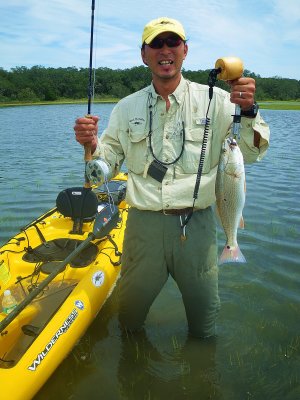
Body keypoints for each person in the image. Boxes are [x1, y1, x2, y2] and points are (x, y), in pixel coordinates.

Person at [74, 17, 270, 338]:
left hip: (199, 226)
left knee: (204, 321)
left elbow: (251, 154)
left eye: (173, 42)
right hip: (143, 227)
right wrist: (91, 146)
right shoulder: (125, 108)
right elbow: (103, 167)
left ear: (185, 50)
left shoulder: (220, 101)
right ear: (144, 55)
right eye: (157, 44)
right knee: (130, 317)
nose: (165, 50)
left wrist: (248, 112)